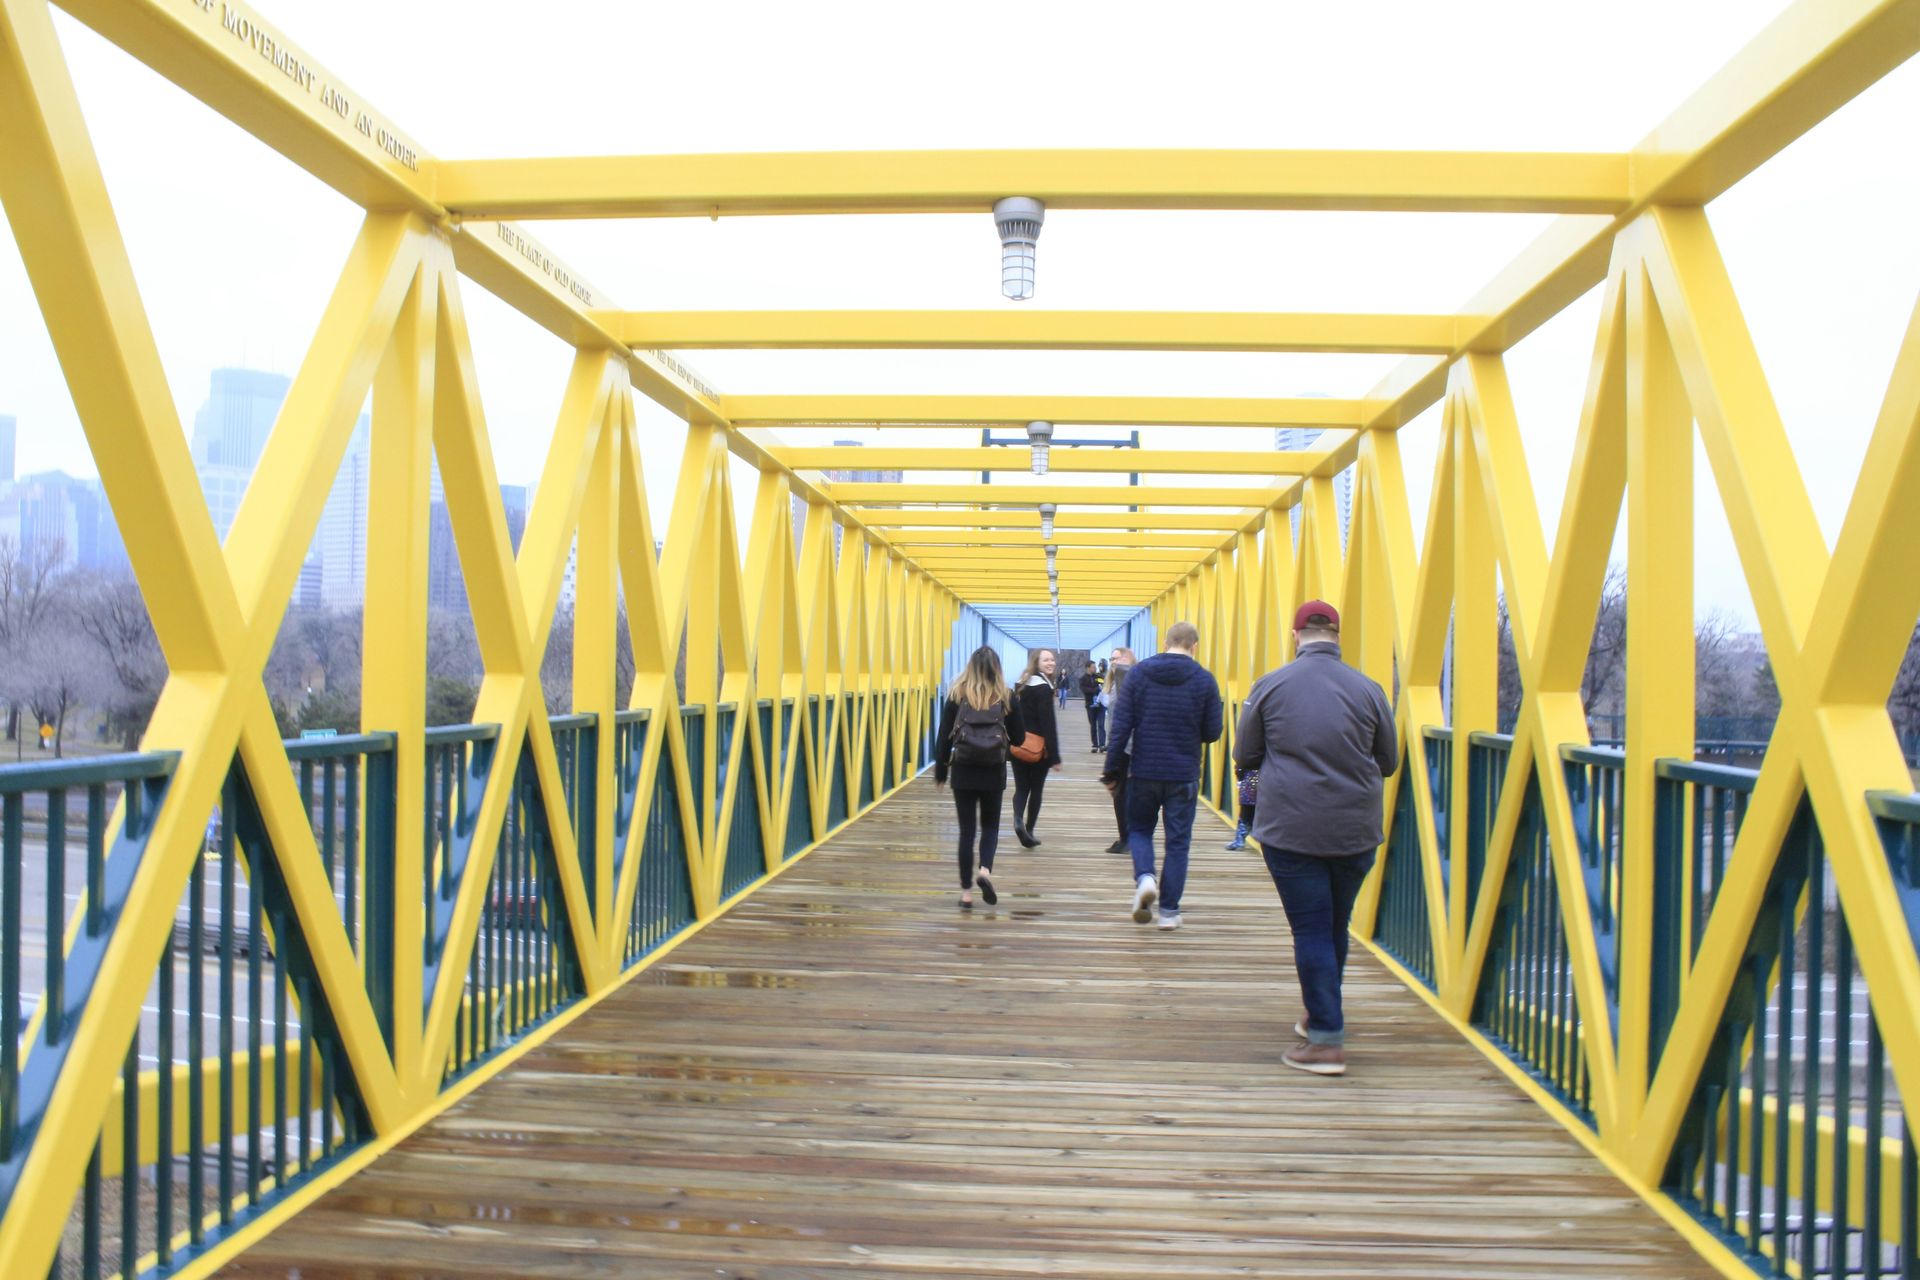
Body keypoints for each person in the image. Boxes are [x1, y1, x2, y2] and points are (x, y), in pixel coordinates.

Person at [1234, 600, 1398, 1077]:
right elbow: (1387, 762)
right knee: (1334, 924)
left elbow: (1246, 753)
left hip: (1291, 826)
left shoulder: (1271, 685)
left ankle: (1327, 1040)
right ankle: (1319, 1013)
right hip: (1355, 827)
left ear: (1295, 634)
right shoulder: (1369, 689)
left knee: (1310, 928)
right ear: (1337, 634)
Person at [1102, 624, 1222, 931]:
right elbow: (1212, 732)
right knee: (1178, 842)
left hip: (1144, 770)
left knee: (1140, 829)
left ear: (1164, 642)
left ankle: (1144, 878)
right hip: (1183, 773)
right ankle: (1169, 911)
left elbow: (1121, 727)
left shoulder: (1140, 675)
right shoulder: (1204, 680)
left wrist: (1112, 771)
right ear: (1194, 646)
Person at [934, 646, 1026, 910]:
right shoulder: (1006, 697)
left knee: (966, 832)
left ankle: (966, 895)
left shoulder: (956, 694)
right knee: (990, 827)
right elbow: (1019, 739)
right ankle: (984, 870)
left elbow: (944, 737)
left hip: (963, 770)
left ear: (970, 667)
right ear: (997, 668)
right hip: (993, 770)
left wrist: (941, 770)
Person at [1009, 648, 1063, 848]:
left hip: (1018, 745)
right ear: (1036, 663)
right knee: (1036, 789)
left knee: (1021, 787)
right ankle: (1029, 830)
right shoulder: (1043, 689)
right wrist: (1055, 756)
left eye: (1052, 659)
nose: (1051, 663)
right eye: (1046, 660)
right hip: (1038, 749)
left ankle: (1017, 819)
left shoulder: (1021, 685)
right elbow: (1048, 724)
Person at [1101, 652, 1135, 853]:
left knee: (1122, 793)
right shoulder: (1113, 684)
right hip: (1117, 744)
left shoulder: (1129, 682)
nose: (1115, 662)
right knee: (1120, 792)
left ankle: (1127, 838)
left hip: (1128, 745)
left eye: (1120, 658)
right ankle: (1127, 836)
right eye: (1112, 659)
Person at [1225, 765, 1258, 850]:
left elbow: (1242, 758)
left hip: (1250, 778)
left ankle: (1239, 841)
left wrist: (1239, 775)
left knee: (1246, 811)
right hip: (1270, 779)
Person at [1078, 664, 1106, 752]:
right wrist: (1095, 690)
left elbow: (1104, 685)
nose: (1095, 668)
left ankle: (1102, 745)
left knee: (1101, 724)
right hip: (1090, 705)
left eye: (1095, 667)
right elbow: (1084, 690)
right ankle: (1095, 745)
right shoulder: (1083, 679)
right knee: (1093, 725)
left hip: (1100, 704)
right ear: (1088, 668)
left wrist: (1101, 686)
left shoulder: (1099, 676)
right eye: (1093, 667)